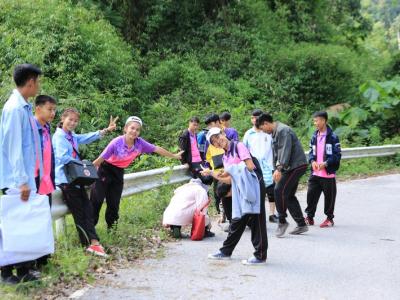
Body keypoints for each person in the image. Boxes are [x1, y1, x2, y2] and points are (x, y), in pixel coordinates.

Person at [91, 116, 183, 229]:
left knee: (114, 204)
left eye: (137, 129)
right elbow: (99, 160)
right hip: (105, 169)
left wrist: (173, 156)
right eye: (132, 128)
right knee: (97, 200)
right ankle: (90, 232)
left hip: (119, 172)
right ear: (126, 128)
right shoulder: (116, 142)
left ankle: (112, 230)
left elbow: (157, 149)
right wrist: (85, 171)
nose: (134, 131)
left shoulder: (140, 144)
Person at [53, 108, 117, 257]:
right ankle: (90, 244)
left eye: (75, 121)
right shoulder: (59, 137)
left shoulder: (71, 136)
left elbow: (85, 137)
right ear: (63, 119)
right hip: (65, 180)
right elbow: (62, 157)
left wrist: (105, 130)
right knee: (79, 212)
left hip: (76, 178)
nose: (73, 123)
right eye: (70, 119)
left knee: (88, 209)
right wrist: (82, 164)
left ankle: (94, 242)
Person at [0, 64, 42, 283]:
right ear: (30, 81)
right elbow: (13, 147)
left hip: (24, 177)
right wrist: (22, 181)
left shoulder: (23, 106)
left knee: (23, 223)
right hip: (17, 180)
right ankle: (6, 272)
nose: (38, 86)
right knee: (11, 224)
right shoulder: (14, 108)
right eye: (38, 81)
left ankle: (24, 270)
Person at [203, 127, 268, 265]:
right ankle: (226, 251)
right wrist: (213, 173)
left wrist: (231, 170)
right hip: (242, 188)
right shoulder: (225, 157)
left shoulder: (239, 146)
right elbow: (230, 180)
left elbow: (250, 166)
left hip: (254, 186)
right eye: (214, 142)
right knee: (238, 219)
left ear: (223, 133)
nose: (218, 142)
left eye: (218, 137)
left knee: (257, 218)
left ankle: (260, 255)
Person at [256, 113, 308, 238]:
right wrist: (276, 169)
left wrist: (279, 169)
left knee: (278, 191)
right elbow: (276, 154)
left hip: (296, 165)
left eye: (263, 129)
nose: (263, 131)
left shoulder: (283, 130)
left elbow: (285, 151)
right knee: (288, 195)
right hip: (289, 167)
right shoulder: (275, 132)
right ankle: (301, 224)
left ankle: (282, 221)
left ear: (266, 124)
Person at [305, 111, 341, 227]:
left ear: (324, 121)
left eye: (317, 120)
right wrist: (312, 161)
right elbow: (311, 152)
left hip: (328, 174)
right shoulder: (314, 136)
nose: (315, 123)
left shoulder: (333, 137)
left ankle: (329, 219)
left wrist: (326, 163)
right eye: (314, 121)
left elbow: (337, 155)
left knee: (329, 198)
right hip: (315, 173)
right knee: (311, 196)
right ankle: (309, 218)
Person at [33, 95, 57, 269]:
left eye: (54, 109)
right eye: (49, 109)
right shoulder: (30, 127)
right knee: (31, 220)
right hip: (31, 181)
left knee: (43, 219)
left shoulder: (47, 127)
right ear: (38, 109)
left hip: (46, 180)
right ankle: (30, 260)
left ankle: (42, 258)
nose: (53, 113)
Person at [243, 109, 278, 223]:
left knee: (271, 190)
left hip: (268, 165)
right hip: (254, 166)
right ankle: (257, 214)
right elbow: (244, 150)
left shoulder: (267, 131)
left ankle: (272, 214)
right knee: (257, 191)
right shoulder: (249, 133)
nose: (254, 120)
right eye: (252, 118)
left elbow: (275, 148)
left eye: (256, 117)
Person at [178, 116, 212, 184]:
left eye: (197, 125)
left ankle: (205, 193)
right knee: (206, 178)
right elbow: (181, 149)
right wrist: (184, 162)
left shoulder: (195, 134)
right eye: (194, 125)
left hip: (199, 160)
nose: (195, 127)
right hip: (192, 161)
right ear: (189, 123)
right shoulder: (185, 135)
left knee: (209, 176)